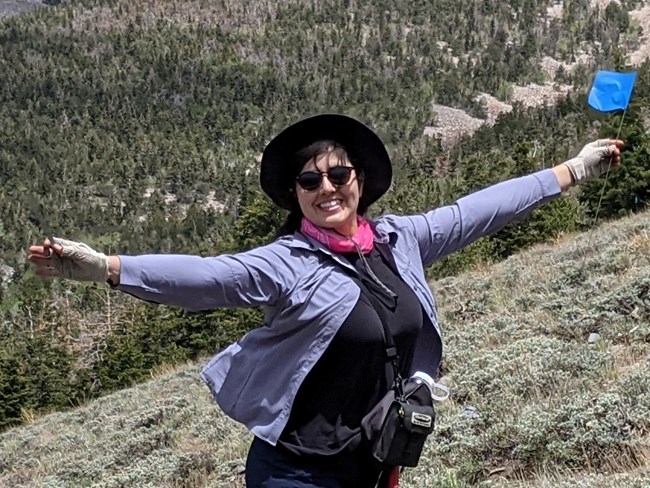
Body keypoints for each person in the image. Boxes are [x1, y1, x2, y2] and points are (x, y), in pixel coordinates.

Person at [28, 114, 624, 488]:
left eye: (338, 175)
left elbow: (481, 208)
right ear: (296, 194)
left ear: (359, 180)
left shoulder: (402, 239)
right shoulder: (286, 262)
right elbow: (207, 277)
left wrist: (572, 169)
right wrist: (107, 268)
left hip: (378, 457)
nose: (326, 189)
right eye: (309, 182)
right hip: (297, 469)